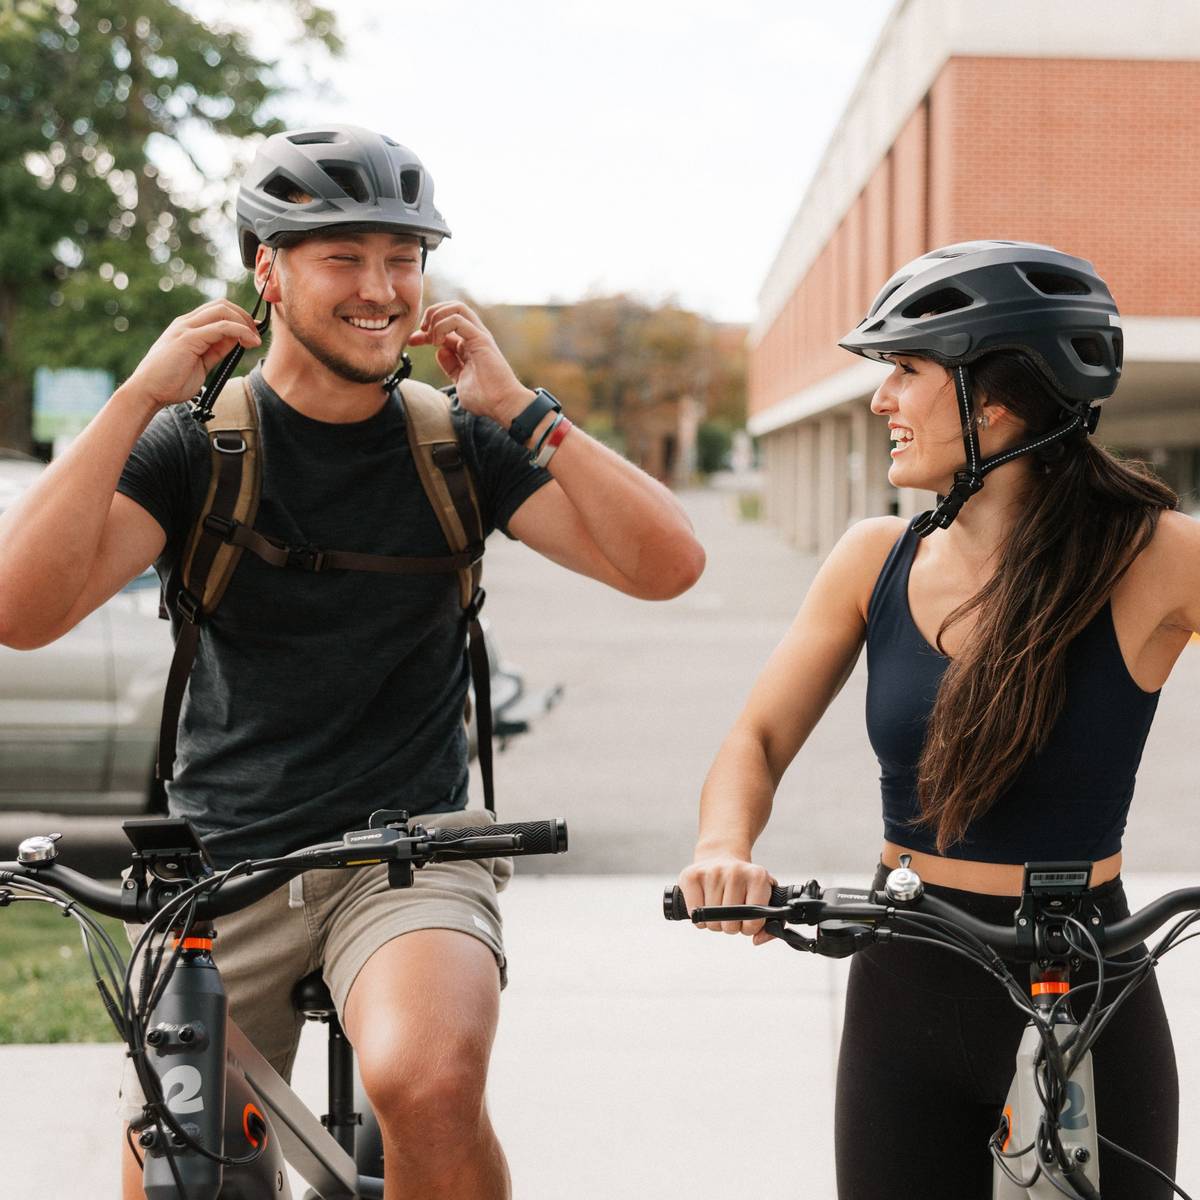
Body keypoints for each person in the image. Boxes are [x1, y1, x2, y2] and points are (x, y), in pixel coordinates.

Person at [0, 124, 705, 1200]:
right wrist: (140, 395)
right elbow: (23, 611)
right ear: (268, 271)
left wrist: (520, 409)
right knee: (186, 1158)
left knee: (424, 1082)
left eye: (404, 258)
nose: (383, 289)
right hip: (224, 862)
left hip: (410, 851)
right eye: (346, 258)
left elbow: (668, 564)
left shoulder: (457, 442)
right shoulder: (198, 445)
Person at [676, 240, 1200, 1198]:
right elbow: (754, 741)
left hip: (1092, 969)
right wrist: (725, 844)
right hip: (908, 969)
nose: (881, 400)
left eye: (906, 372)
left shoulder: (1156, 554)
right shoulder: (875, 555)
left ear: (993, 402)